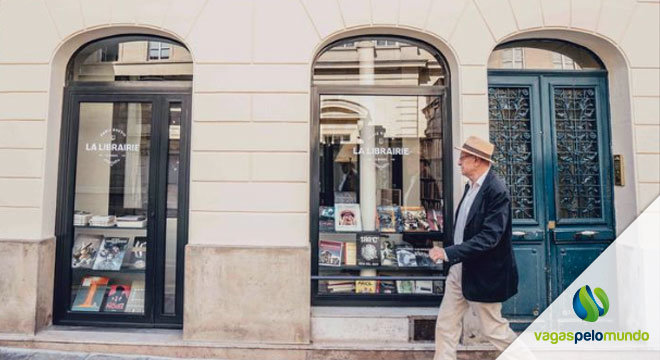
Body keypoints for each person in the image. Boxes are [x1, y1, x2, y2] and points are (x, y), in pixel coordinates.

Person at [429, 136, 519, 360]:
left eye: (463, 158)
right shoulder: (471, 188)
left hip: (483, 273)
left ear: (477, 160)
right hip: (459, 269)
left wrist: (448, 253)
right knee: (446, 326)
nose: (459, 162)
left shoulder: (496, 192)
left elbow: (490, 237)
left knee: (493, 330)